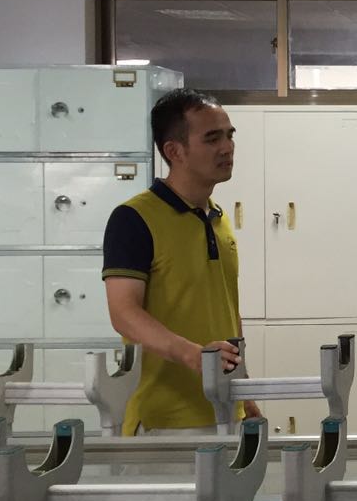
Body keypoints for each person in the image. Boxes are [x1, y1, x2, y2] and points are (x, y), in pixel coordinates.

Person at [102, 88, 260, 434]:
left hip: (225, 411)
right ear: (174, 151)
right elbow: (123, 313)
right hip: (163, 420)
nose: (227, 147)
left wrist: (245, 394)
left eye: (230, 136)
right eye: (212, 138)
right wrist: (194, 356)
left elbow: (228, 312)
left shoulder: (219, 219)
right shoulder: (134, 219)